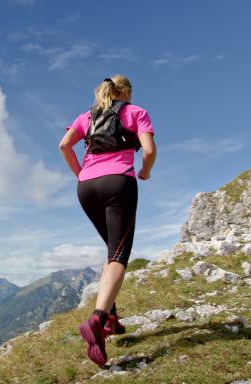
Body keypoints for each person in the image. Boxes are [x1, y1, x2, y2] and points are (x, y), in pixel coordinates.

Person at [58, 74, 157, 366]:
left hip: (86, 188)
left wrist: (80, 174)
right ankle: (98, 319)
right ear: (125, 92)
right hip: (118, 184)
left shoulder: (85, 116)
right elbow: (149, 151)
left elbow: (64, 146)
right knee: (118, 254)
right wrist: (145, 171)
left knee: (111, 248)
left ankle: (112, 320)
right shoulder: (135, 112)